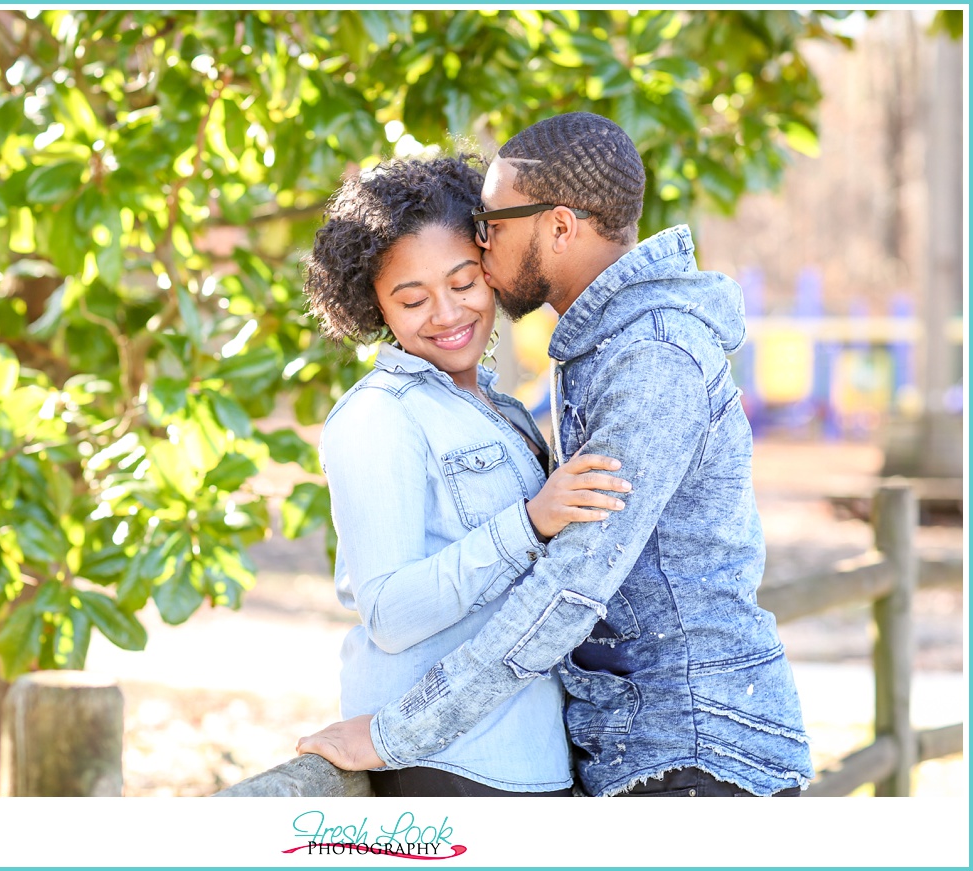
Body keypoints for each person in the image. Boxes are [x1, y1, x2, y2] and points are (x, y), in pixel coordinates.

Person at [298, 112, 815, 797]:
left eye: (492, 228)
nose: (484, 248)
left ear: (560, 227)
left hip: (693, 752)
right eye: (414, 296)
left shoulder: (647, 359)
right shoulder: (588, 354)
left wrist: (398, 731)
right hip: (626, 751)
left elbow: (570, 584)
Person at [301, 153, 633, 797]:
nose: (447, 314)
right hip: (449, 766)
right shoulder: (377, 418)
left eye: (463, 283)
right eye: (412, 298)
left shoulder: (502, 410)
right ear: (374, 305)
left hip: (535, 756)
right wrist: (531, 522)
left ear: (491, 270)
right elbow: (389, 613)